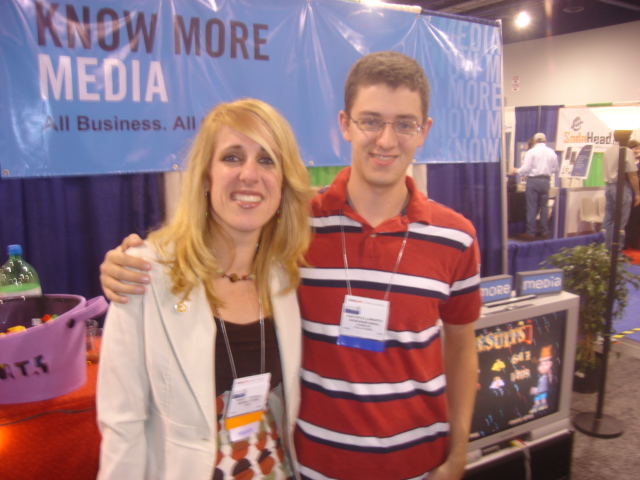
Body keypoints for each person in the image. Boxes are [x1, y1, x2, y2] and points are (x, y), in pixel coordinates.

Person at [100, 51, 482, 480]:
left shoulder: (455, 236)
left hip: (416, 464)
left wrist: (459, 449)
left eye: (404, 124)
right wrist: (131, 260)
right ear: (345, 125)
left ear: (424, 131)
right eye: (371, 121)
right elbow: (123, 422)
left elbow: (462, 348)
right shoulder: (300, 230)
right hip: (315, 467)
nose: (387, 140)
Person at [96, 98, 313, 480]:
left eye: (267, 160)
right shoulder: (144, 272)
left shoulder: (288, 276)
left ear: (283, 183)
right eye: (232, 157)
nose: (249, 174)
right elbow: (122, 425)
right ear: (206, 178)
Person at [511, 132, 559, 240]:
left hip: (533, 181)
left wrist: (516, 171)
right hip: (546, 181)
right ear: (545, 140)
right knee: (544, 207)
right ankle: (544, 231)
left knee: (532, 206)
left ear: (534, 141)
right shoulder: (552, 152)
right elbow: (556, 169)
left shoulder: (531, 152)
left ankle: (530, 232)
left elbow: (526, 169)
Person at [601, 139, 640, 251]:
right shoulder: (625, 151)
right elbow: (632, 174)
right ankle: (616, 252)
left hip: (609, 186)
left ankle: (605, 249)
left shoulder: (608, 150)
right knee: (620, 222)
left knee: (608, 220)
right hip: (621, 187)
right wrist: (637, 193)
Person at [624, 139, 640, 250]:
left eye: (638, 148)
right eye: (635, 148)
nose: (637, 150)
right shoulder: (626, 162)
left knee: (637, 218)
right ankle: (625, 241)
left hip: (638, 193)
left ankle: (635, 242)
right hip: (628, 192)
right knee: (627, 218)